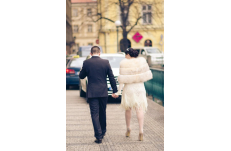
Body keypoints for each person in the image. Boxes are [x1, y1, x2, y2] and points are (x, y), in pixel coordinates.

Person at [79, 46, 118, 144]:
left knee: (94, 114)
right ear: (99, 53)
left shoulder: (86, 63)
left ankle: (98, 136)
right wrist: (115, 90)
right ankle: (103, 131)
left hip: (92, 92)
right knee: (102, 112)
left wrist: (84, 70)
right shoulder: (105, 62)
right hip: (103, 92)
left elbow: (81, 76)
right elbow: (111, 77)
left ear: (91, 53)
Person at [113, 48, 153, 141]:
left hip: (129, 88)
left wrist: (119, 92)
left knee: (128, 109)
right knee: (139, 109)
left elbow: (122, 80)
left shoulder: (124, 63)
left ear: (128, 55)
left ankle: (128, 128)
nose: (125, 56)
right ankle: (141, 130)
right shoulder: (142, 62)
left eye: (125, 54)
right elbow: (146, 76)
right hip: (139, 87)